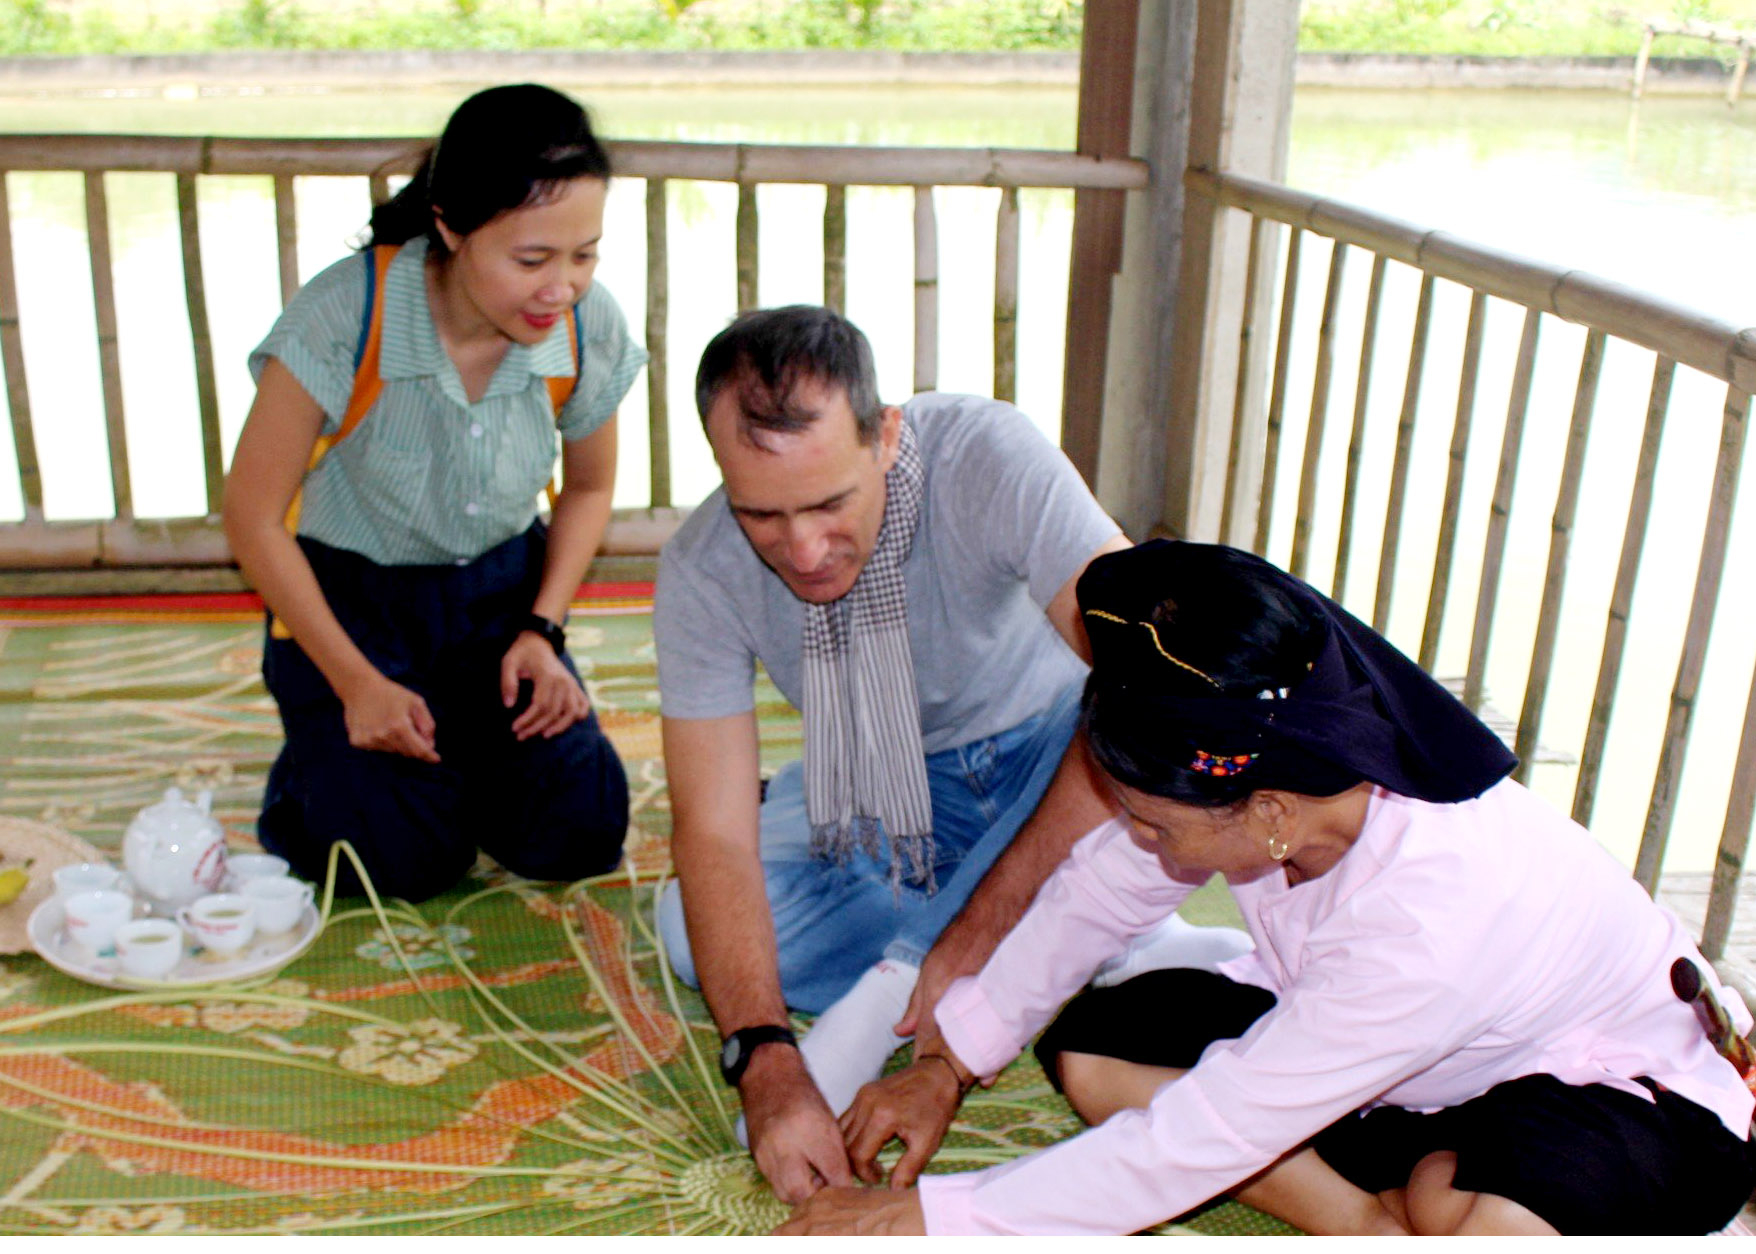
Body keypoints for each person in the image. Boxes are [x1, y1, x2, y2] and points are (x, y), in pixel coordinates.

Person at [779, 540, 1756, 1236]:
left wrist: (935, 1220)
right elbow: (1094, 895)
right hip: (1417, 1071)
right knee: (1095, 1045)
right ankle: (1372, 1221)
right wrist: (948, 1064)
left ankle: (1435, 1201)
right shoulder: (1286, 784)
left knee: (1492, 1228)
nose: (1138, 840)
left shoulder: (1430, 917)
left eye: (1155, 823)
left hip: (1623, 1090)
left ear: (1270, 812)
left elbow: (1208, 1133)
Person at [651, 304, 1141, 1202]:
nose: (802, 549)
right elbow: (714, 831)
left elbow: (1144, 689)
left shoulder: (985, 454)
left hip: (1057, 756)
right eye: (761, 511)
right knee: (691, 927)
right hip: (887, 788)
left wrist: (953, 939)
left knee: (1145, 761)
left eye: (830, 502)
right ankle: (1069, 937)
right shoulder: (701, 568)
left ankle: (905, 981)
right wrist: (763, 1059)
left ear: (885, 435)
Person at [223, 84, 641, 903]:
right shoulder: (347, 314)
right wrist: (353, 683)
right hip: (350, 608)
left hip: (500, 602)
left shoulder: (588, 326)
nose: (561, 289)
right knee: (401, 863)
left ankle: (452, 757)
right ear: (449, 224)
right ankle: (313, 767)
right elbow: (251, 516)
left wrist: (542, 633)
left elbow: (589, 488)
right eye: (532, 260)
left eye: (583, 255)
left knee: (581, 832)